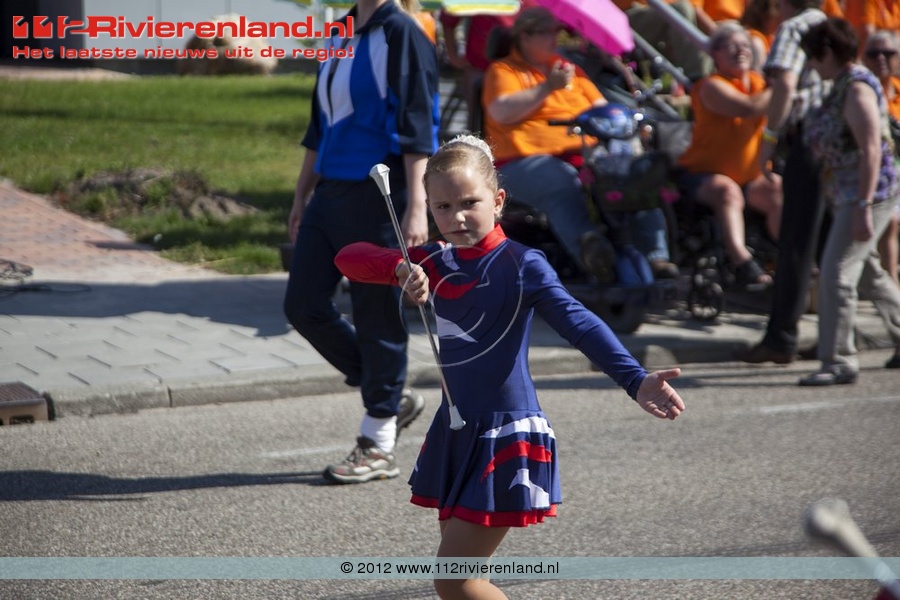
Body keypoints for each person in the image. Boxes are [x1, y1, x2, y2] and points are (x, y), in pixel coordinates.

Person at [334, 135, 686, 599]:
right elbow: (348, 259)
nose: (456, 217)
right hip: (459, 430)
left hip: (505, 433)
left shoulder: (522, 263)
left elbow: (579, 323)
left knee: (455, 580)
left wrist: (634, 378)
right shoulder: (433, 260)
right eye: (442, 207)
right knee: (463, 579)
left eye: (469, 203)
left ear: (498, 201)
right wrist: (400, 268)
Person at [283, 0, 439, 484]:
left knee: (377, 318)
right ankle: (387, 394)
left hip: (380, 193)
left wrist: (417, 206)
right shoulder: (338, 33)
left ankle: (378, 442)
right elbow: (319, 125)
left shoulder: (402, 32)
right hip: (329, 191)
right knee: (303, 306)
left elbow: (418, 122)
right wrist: (301, 194)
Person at [481, 7, 680, 284]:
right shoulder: (503, 71)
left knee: (637, 177)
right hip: (522, 160)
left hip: (584, 153)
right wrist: (548, 87)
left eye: (557, 32)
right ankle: (591, 249)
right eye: (546, 33)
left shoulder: (569, 69)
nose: (555, 38)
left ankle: (656, 257)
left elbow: (603, 108)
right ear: (524, 37)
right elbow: (501, 112)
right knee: (561, 182)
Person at [797, 17, 900, 383]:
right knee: (870, 274)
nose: (812, 65)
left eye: (813, 57)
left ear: (827, 53)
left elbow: (872, 150)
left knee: (837, 273)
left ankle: (839, 361)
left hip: (865, 195)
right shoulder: (842, 85)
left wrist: (863, 206)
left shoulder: (856, 89)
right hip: (849, 195)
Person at [736, 0, 830, 365]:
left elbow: (785, 85)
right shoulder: (828, 22)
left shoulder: (794, 28)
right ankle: (836, 336)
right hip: (835, 142)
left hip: (808, 139)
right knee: (834, 247)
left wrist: (770, 139)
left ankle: (781, 338)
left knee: (796, 243)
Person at [676, 22, 783, 288]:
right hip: (702, 175)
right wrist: (781, 87)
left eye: (745, 45)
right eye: (731, 46)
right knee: (728, 191)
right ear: (715, 54)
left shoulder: (758, 83)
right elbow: (746, 108)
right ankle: (742, 262)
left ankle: (787, 259)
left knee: (777, 188)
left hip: (751, 177)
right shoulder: (710, 86)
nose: (740, 51)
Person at [862, 30, 900, 288]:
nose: (881, 59)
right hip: (877, 173)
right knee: (891, 221)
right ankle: (893, 284)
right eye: (873, 53)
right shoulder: (861, 91)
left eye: (888, 53)